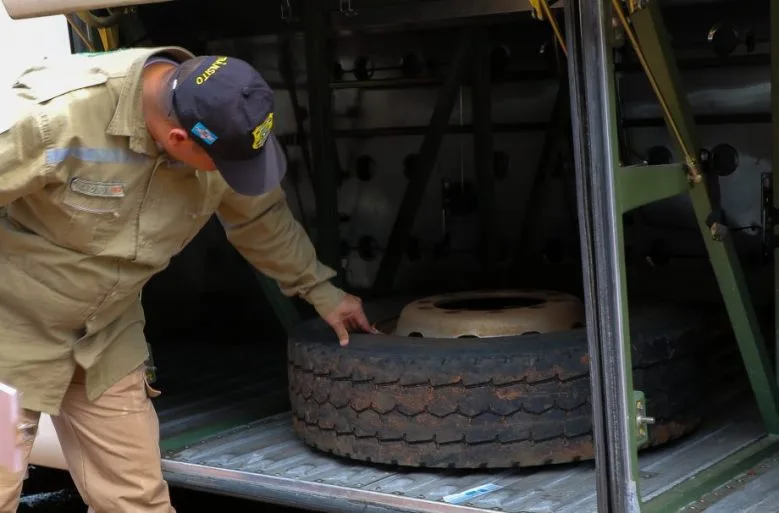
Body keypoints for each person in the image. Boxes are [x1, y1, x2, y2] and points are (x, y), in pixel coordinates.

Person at [0, 46, 377, 512]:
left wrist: (322, 291)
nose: (232, 175)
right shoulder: (57, 117)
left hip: (105, 340)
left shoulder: (223, 125)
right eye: (225, 165)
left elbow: (261, 219)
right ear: (178, 139)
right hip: (10, 339)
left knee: (136, 500)